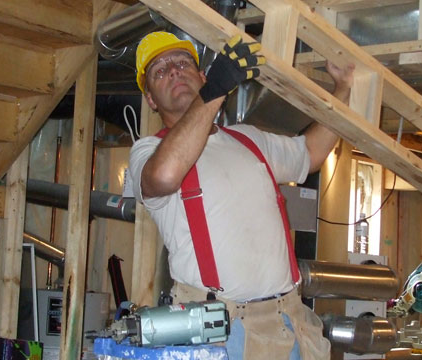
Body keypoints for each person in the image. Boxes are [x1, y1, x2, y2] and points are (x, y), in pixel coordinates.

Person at [128, 31, 354, 360]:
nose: (174, 71)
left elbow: (310, 153)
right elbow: (163, 176)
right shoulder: (148, 152)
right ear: (150, 99)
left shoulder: (247, 139)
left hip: (288, 324)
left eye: (182, 63)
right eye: (160, 71)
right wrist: (216, 91)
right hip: (221, 331)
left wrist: (343, 88)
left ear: (202, 76)